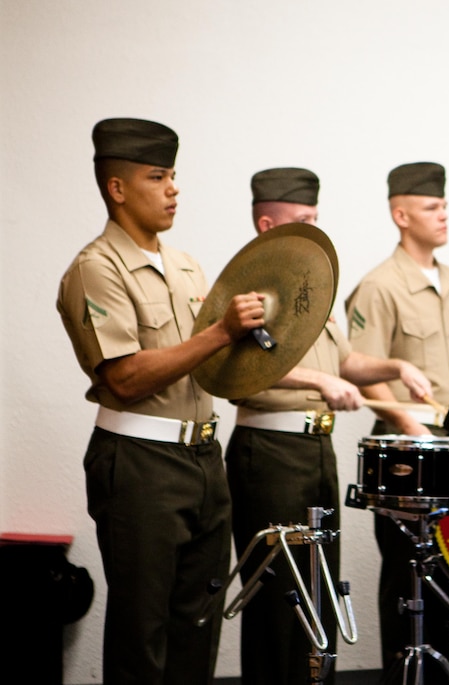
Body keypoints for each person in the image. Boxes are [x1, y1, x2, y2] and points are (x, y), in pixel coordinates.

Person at [56, 117, 266, 684]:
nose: (174, 188)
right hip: (140, 464)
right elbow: (124, 378)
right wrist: (221, 331)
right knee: (141, 632)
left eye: (175, 175)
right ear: (117, 188)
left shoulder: (187, 266)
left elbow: (208, 362)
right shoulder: (95, 269)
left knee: (198, 624)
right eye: (158, 176)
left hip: (203, 458)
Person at [226, 167, 432, 685]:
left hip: (314, 452)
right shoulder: (244, 292)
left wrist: (395, 368)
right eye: (301, 220)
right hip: (270, 449)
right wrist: (319, 382)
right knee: (279, 596)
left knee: (320, 592)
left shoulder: (307, 288)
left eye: (316, 219)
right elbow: (237, 370)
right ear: (268, 224)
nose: (313, 230)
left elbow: (344, 364)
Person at [343, 161, 449, 683]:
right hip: (406, 456)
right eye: (431, 207)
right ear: (400, 215)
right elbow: (361, 370)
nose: (443, 214)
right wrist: (408, 420)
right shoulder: (380, 286)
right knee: (408, 581)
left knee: (446, 582)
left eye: (445, 205)